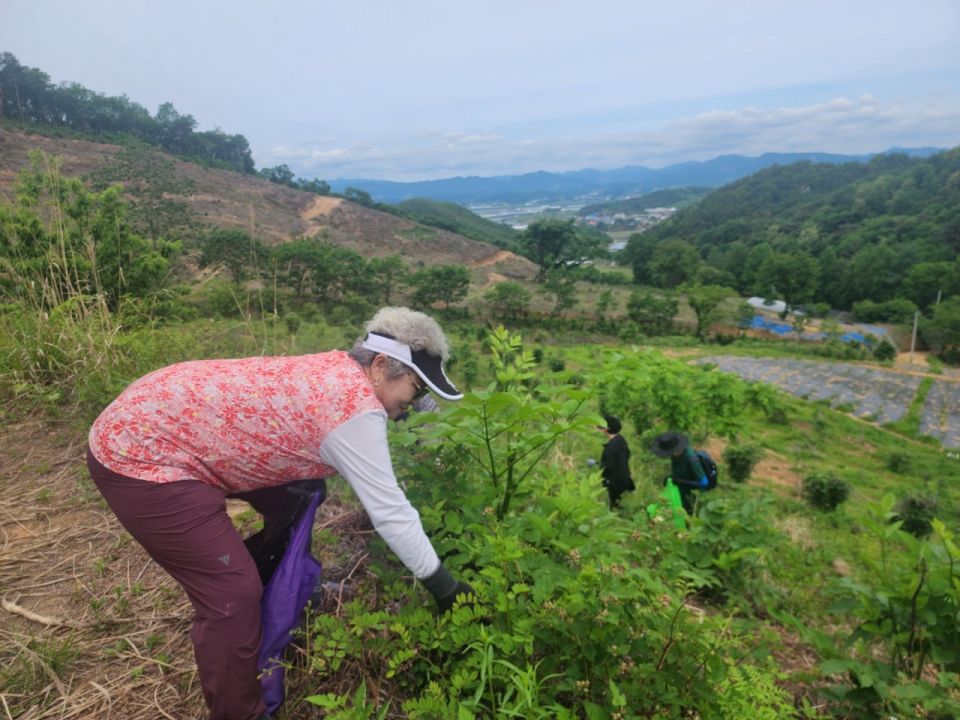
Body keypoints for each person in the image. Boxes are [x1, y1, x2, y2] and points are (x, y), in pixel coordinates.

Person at [86, 306, 474, 720]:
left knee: (301, 490)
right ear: (379, 366)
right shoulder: (355, 412)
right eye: (415, 388)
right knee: (232, 594)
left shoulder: (341, 368)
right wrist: (446, 588)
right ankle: (240, 710)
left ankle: (281, 590)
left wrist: (428, 427)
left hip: (158, 414)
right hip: (139, 455)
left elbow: (410, 408)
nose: (412, 403)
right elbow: (392, 512)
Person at [650, 431, 708, 515]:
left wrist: (683, 482)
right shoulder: (675, 456)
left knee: (689, 515)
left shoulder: (692, 460)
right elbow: (679, 472)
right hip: (681, 493)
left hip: (693, 497)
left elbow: (704, 483)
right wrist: (671, 477)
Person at [598, 415, 634, 509]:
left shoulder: (610, 447)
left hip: (616, 482)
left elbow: (608, 467)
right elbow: (626, 456)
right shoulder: (621, 440)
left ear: (606, 429)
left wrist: (600, 472)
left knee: (614, 507)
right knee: (620, 504)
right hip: (625, 478)